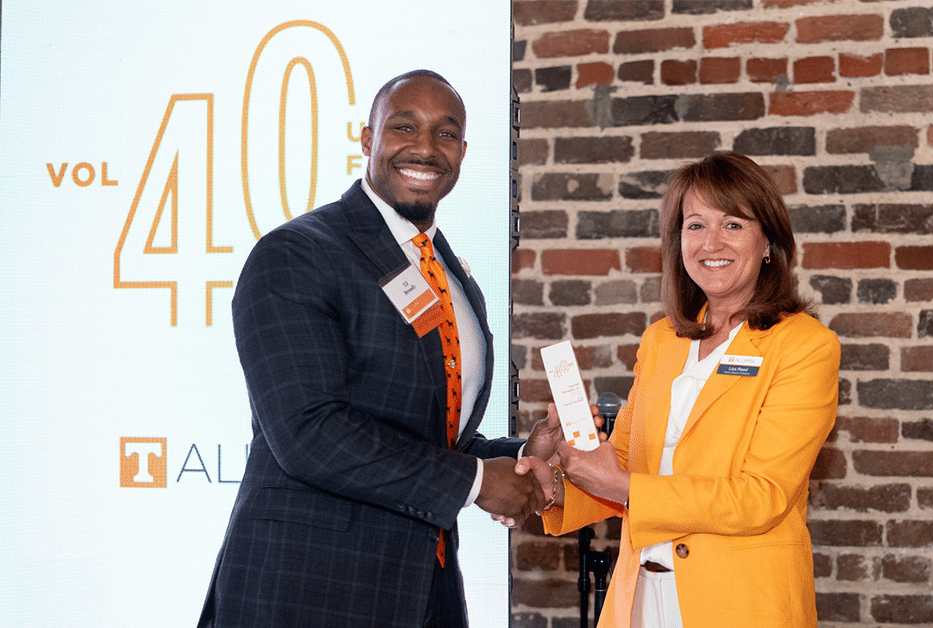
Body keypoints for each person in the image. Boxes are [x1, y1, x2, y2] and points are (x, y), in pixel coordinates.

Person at [199, 70, 563, 628]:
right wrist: (474, 483)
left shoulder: (450, 272)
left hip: (424, 590)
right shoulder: (297, 254)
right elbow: (309, 432)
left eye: (445, 134)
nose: (424, 147)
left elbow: (422, 432)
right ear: (367, 140)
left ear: (462, 152)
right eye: (403, 127)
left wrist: (513, 458)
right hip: (306, 592)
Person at [536, 151, 841, 627]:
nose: (711, 243)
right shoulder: (662, 340)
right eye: (695, 225)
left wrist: (621, 484)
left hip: (743, 605)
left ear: (768, 243)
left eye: (734, 224)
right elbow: (625, 468)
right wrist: (558, 479)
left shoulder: (805, 346)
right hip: (640, 598)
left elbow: (760, 497)